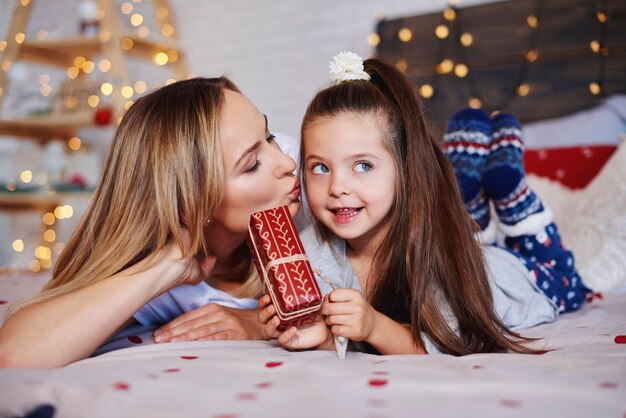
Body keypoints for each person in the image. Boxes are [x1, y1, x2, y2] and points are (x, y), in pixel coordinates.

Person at [260, 52, 591, 355]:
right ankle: (469, 199)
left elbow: (445, 344)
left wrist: (374, 326)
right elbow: (332, 330)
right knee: (469, 235)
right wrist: (309, 331)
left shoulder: (433, 254)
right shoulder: (309, 253)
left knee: (567, 279)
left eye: (363, 166)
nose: (337, 187)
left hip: (506, 274)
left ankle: (511, 193)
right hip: (469, 250)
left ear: (403, 168)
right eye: (320, 167)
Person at [0, 77, 301, 368]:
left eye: (269, 135)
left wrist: (261, 323)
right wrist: (168, 266)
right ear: (194, 204)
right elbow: (13, 355)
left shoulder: (311, 177)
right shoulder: (167, 283)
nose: (287, 163)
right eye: (252, 165)